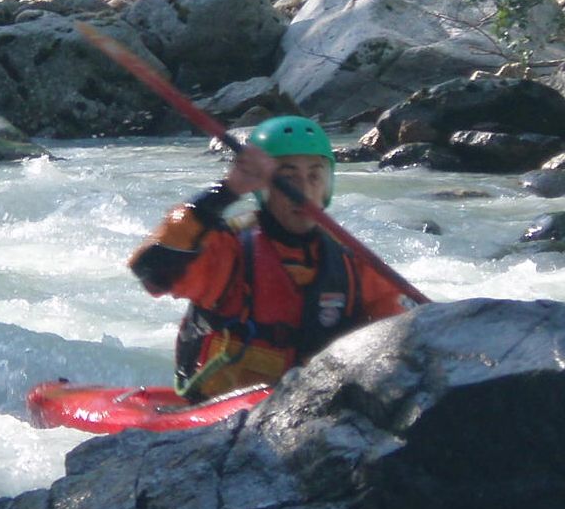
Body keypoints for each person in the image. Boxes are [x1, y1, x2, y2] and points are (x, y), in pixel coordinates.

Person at [129, 115, 416, 401]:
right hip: (222, 409)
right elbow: (152, 270)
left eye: (314, 176)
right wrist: (226, 191)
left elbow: (399, 342)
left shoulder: (353, 263)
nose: (304, 191)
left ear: (327, 186)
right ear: (263, 189)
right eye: (288, 178)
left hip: (311, 406)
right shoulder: (228, 250)